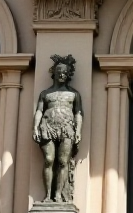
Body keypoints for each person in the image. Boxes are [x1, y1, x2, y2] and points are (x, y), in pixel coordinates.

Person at [33, 54, 84, 203]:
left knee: (63, 162)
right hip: (47, 127)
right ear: (54, 73)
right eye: (59, 71)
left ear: (69, 75)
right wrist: (35, 128)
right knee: (49, 160)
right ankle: (47, 195)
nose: (62, 74)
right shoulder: (45, 94)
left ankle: (58, 195)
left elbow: (78, 113)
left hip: (67, 128)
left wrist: (78, 131)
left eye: (65, 72)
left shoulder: (74, 94)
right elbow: (39, 111)